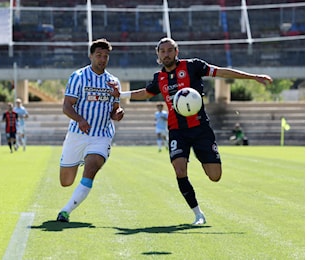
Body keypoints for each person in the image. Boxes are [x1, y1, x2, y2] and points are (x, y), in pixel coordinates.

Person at [112, 37, 272, 225]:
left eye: (170, 50)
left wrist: (253, 77)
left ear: (176, 52)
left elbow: (221, 72)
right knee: (179, 170)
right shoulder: (159, 78)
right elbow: (146, 92)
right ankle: (198, 214)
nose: (166, 54)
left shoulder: (193, 66)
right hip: (177, 131)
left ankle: (202, 156)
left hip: (200, 129)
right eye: (162, 51)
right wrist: (121, 94)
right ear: (158, 55)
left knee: (214, 176)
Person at [56, 38, 124, 223]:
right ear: (91, 56)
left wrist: (117, 113)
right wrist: (80, 119)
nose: (102, 59)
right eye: (99, 55)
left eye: (105, 56)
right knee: (66, 181)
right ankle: (79, 158)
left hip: (101, 135)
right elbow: (66, 107)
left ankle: (66, 211)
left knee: (92, 167)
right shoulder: (78, 77)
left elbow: (114, 110)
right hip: (77, 134)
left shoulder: (113, 82)